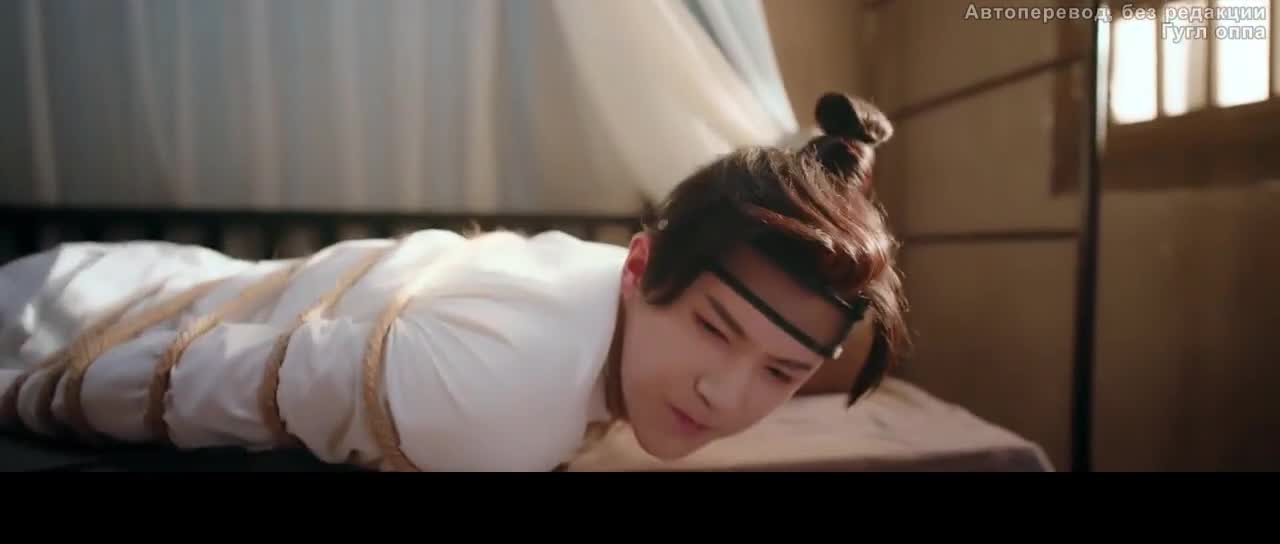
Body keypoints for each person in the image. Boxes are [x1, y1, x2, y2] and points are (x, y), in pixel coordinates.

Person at [0, 92, 908, 471]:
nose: (725, 394)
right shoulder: (498, 399)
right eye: (714, 328)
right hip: (60, 318)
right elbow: (204, 376)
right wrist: (22, 397)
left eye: (782, 371)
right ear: (639, 265)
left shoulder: (604, 297)